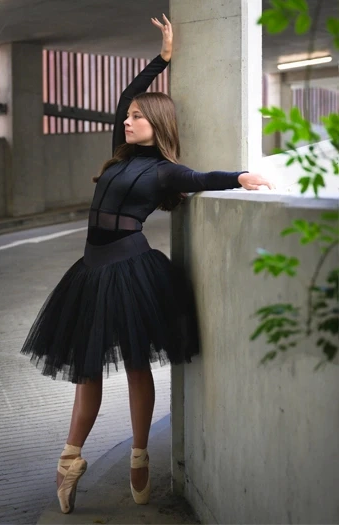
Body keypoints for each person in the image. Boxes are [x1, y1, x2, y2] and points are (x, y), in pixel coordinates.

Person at [20, 14, 272, 515]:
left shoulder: (163, 171)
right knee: (86, 370)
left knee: (137, 366)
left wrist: (242, 176)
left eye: (138, 116)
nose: (129, 119)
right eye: (130, 115)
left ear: (156, 125)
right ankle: (71, 459)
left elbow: (201, 177)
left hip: (131, 270)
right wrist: (163, 58)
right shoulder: (118, 156)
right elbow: (122, 98)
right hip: (90, 272)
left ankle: (139, 456)